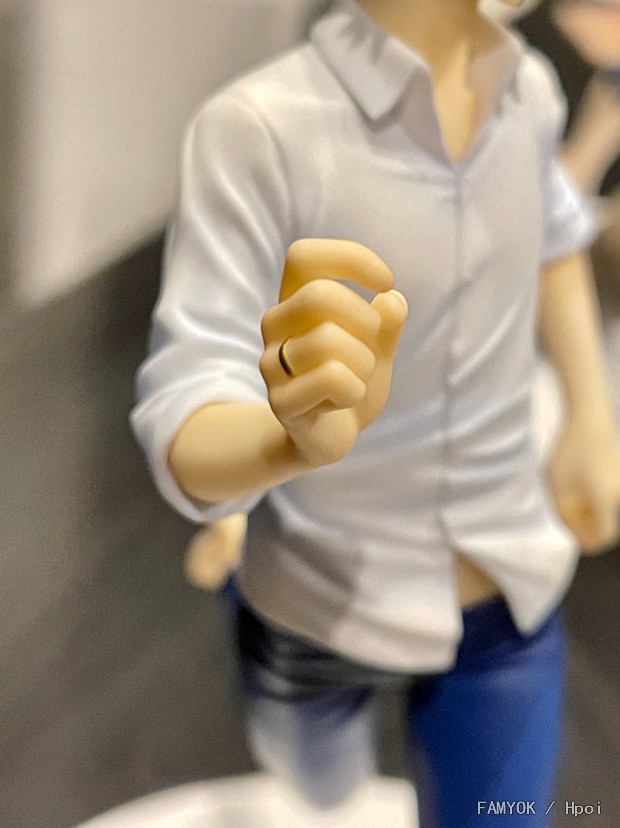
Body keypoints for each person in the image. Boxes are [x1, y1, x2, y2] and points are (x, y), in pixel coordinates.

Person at [131, 1, 620, 824]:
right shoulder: (260, 128)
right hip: (316, 598)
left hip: (507, 583)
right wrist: (282, 442)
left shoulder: (528, 88)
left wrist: (590, 419)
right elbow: (187, 393)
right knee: (319, 788)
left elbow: (554, 237)